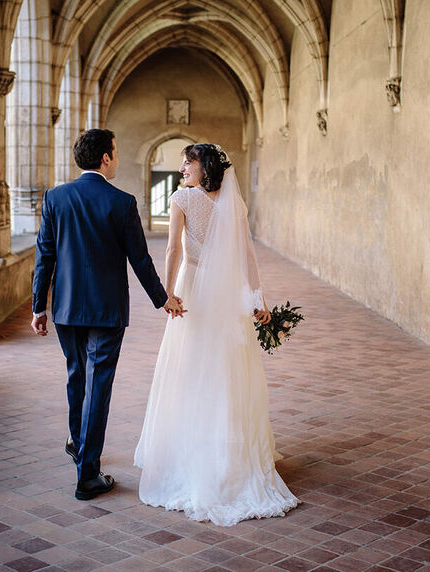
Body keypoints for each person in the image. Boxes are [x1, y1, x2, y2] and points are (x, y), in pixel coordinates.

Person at [134, 143, 299, 525]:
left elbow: (173, 248)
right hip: (225, 292)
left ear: (203, 166)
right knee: (225, 368)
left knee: (192, 366)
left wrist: (170, 292)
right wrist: (258, 298)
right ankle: (228, 456)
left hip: (193, 287)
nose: (181, 169)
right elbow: (247, 255)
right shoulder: (233, 204)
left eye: (187, 162)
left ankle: (197, 457)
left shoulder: (182, 200)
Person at [32, 129, 185, 501]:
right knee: (99, 384)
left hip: (66, 309)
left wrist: (39, 306)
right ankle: (88, 475)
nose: (115, 158)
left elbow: (44, 256)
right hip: (107, 310)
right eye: (115, 153)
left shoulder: (55, 198)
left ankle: (77, 442)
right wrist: (162, 297)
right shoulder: (122, 202)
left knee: (76, 375)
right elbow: (140, 258)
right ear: (105, 158)